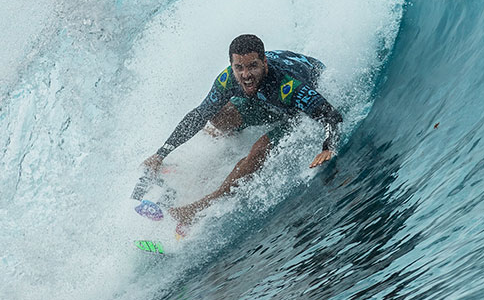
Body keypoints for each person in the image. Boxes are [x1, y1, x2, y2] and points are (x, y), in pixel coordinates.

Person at [142, 34, 344, 227]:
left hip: (294, 109)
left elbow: (331, 116)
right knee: (216, 114)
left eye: (252, 66)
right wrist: (161, 154)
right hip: (266, 102)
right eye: (239, 67)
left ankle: (199, 208)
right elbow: (198, 114)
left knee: (259, 149)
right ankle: (223, 132)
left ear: (264, 63)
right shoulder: (228, 78)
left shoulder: (288, 85)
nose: (245, 75)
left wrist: (328, 146)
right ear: (232, 66)